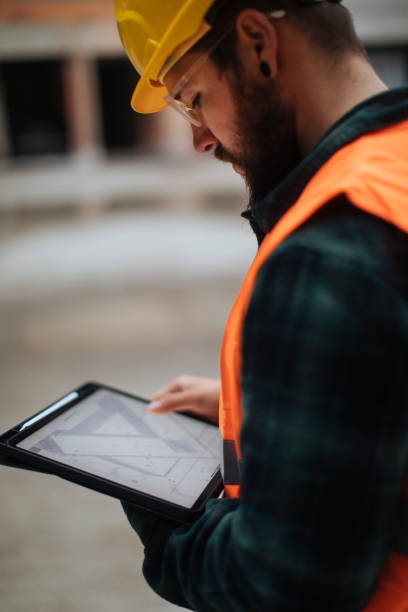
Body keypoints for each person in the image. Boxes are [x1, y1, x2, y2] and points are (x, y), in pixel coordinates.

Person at [114, 0, 408, 609]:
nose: (198, 138)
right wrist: (271, 409)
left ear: (256, 44)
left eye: (191, 98)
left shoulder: (327, 250)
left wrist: (158, 507)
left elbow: (285, 585)